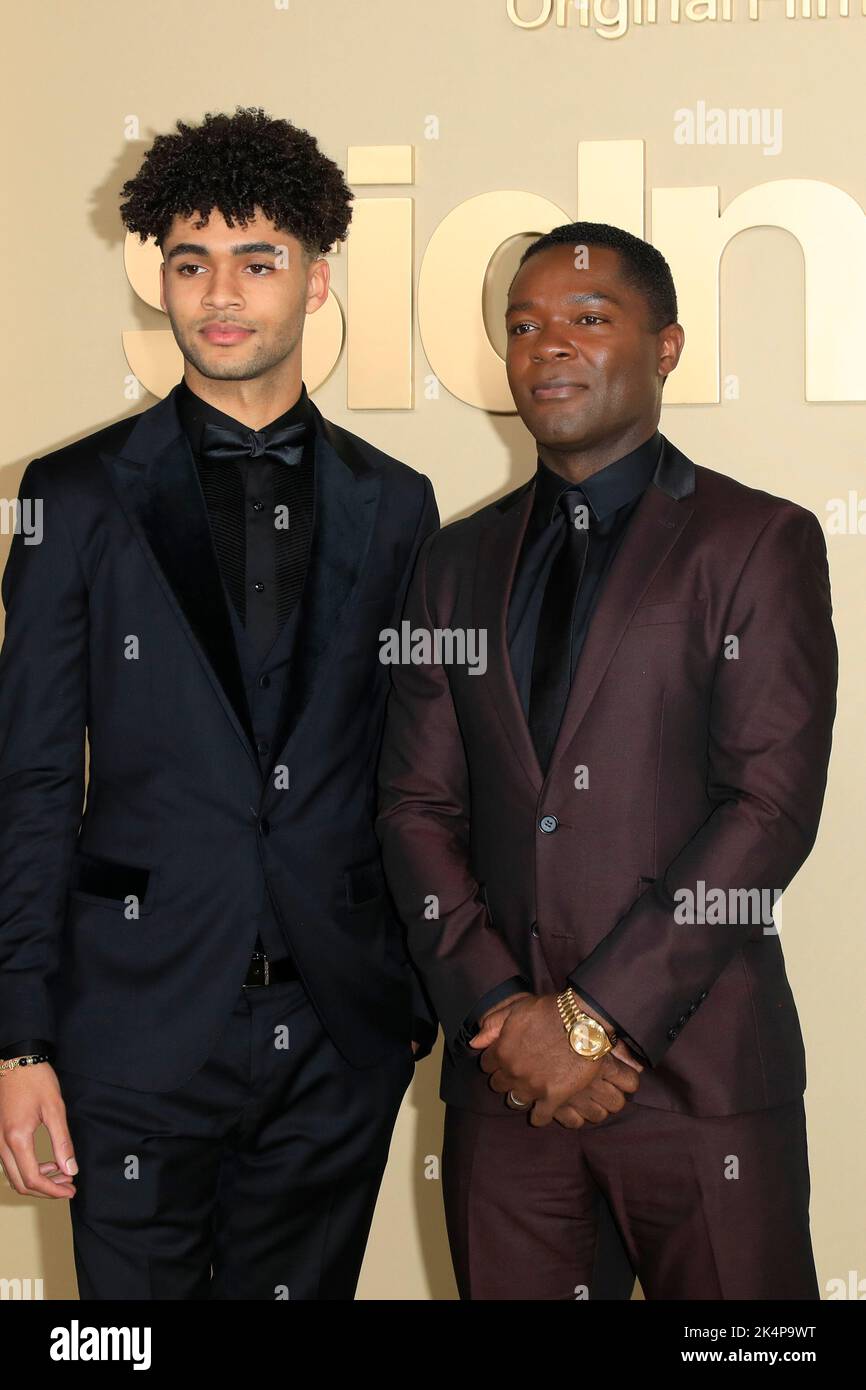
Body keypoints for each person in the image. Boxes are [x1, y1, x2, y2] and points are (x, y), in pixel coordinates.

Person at [0, 105, 439, 1300]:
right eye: (191, 263)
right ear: (161, 281)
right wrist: (21, 1039)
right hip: (130, 1029)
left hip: (336, 1034)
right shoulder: (75, 496)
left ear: (315, 276)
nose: (221, 292)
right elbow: (32, 780)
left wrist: (409, 1001)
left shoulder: (395, 503)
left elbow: (418, 771)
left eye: (258, 259)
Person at [376, 221, 837, 1300]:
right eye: (523, 326)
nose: (547, 348)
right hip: (507, 1095)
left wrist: (591, 1019)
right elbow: (413, 806)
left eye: (587, 320)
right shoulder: (452, 562)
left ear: (665, 347)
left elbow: (767, 806)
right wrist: (500, 1013)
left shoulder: (755, 542)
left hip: (701, 1080)